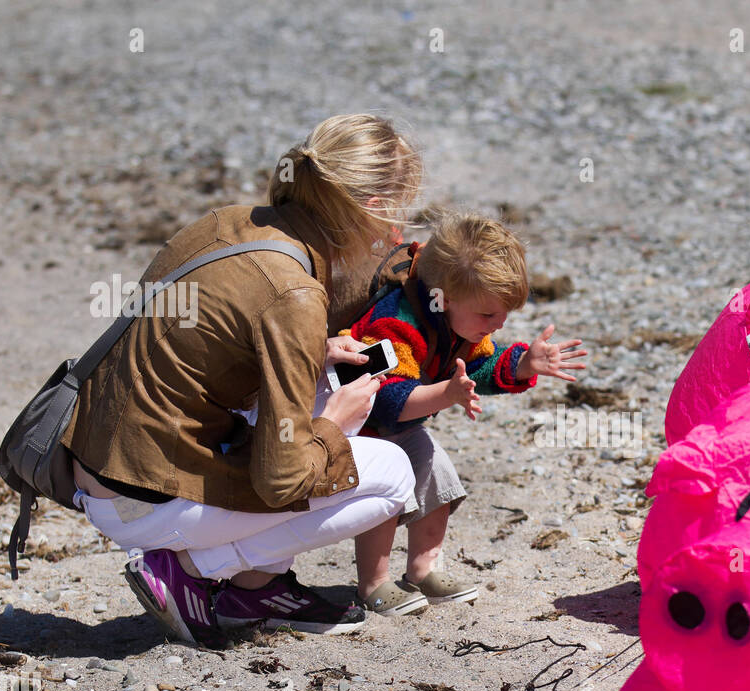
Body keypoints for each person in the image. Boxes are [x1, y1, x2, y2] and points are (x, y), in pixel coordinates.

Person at [61, 114, 423, 646]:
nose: (396, 234)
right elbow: (284, 478)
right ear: (367, 210)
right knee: (392, 473)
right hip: (144, 502)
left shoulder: (232, 222)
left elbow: (204, 340)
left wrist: (315, 351)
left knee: (317, 386)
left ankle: (258, 588)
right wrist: (333, 425)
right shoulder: (295, 291)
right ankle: (190, 567)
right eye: (395, 216)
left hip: (97, 467)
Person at [340, 214, 588, 615]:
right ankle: (373, 583)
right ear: (445, 296)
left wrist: (522, 364)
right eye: (489, 316)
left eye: (505, 314)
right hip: (364, 429)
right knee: (385, 500)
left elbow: (477, 368)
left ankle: (422, 570)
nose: (498, 323)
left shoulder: (461, 320)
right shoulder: (397, 322)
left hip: (401, 428)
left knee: (440, 481)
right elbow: (387, 400)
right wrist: (447, 393)